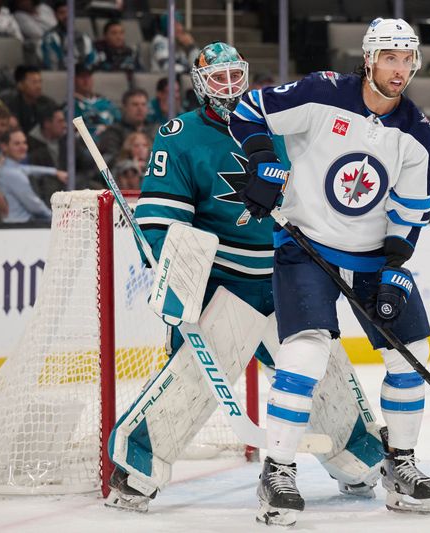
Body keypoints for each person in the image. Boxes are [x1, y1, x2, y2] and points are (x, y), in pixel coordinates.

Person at [105, 41, 385, 517]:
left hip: (284, 272)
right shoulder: (180, 135)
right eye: (218, 79)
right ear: (199, 85)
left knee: (322, 370)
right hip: (221, 281)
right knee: (192, 379)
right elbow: (160, 218)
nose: (229, 87)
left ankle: (359, 460)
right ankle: (135, 469)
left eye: (236, 76)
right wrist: (173, 266)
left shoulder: (280, 123)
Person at [230, 17, 430, 524]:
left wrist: (394, 267)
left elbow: (410, 214)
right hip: (304, 244)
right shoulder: (322, 92)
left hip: (371, 257)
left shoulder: (416, 132)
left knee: (411, 351)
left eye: (407, 59)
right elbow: (247, 110)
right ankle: (277, 471)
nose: (399, 68)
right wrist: (261, 160)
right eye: (390, 57)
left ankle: (402, 463)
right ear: (369, 58)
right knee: (304, 353)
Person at [0, 128, 66, 223]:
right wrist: (58, 219)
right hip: (18, 226)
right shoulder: (13, 174)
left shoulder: (7, 168)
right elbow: (34, 205)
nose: (23, 147)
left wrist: (55, 172)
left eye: (24, 143)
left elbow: (29, 169)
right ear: (4, 146)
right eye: (17, 144)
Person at [97, 88, 156, 168]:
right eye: (135, 104)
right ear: (125, 107)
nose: (140, 108)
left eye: (143, 104)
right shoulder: (113, 132)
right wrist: (131, 164)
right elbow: (109, 160)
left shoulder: (155, 130)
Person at [27, 105, 68, 206]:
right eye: (60, 121)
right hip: (46, 197)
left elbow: (87, 163)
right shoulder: (29, 145)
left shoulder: (67, 140)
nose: (65, 125)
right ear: (47, 124)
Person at [0, 65, 57, 134]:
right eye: (34, 82)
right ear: (20, 85)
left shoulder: (48, 103)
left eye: (39, 82)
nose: (38, 86)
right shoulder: (10, 104)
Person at [40, 0, 96, 70]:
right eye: (62, 12)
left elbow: (91, 61)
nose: (67, 16)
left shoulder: (84, 37)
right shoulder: (50, 37)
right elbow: (52, 64)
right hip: (61, 76)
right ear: (55, 15)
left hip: (82, 75)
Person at [72, 64, 120, 140]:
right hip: (87, 144)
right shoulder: (72, 105)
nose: (86, 80)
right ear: (74, 80)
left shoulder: (106, 101)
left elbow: (119, 121)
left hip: (112, 141)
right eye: (82, 77)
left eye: (88, 77)